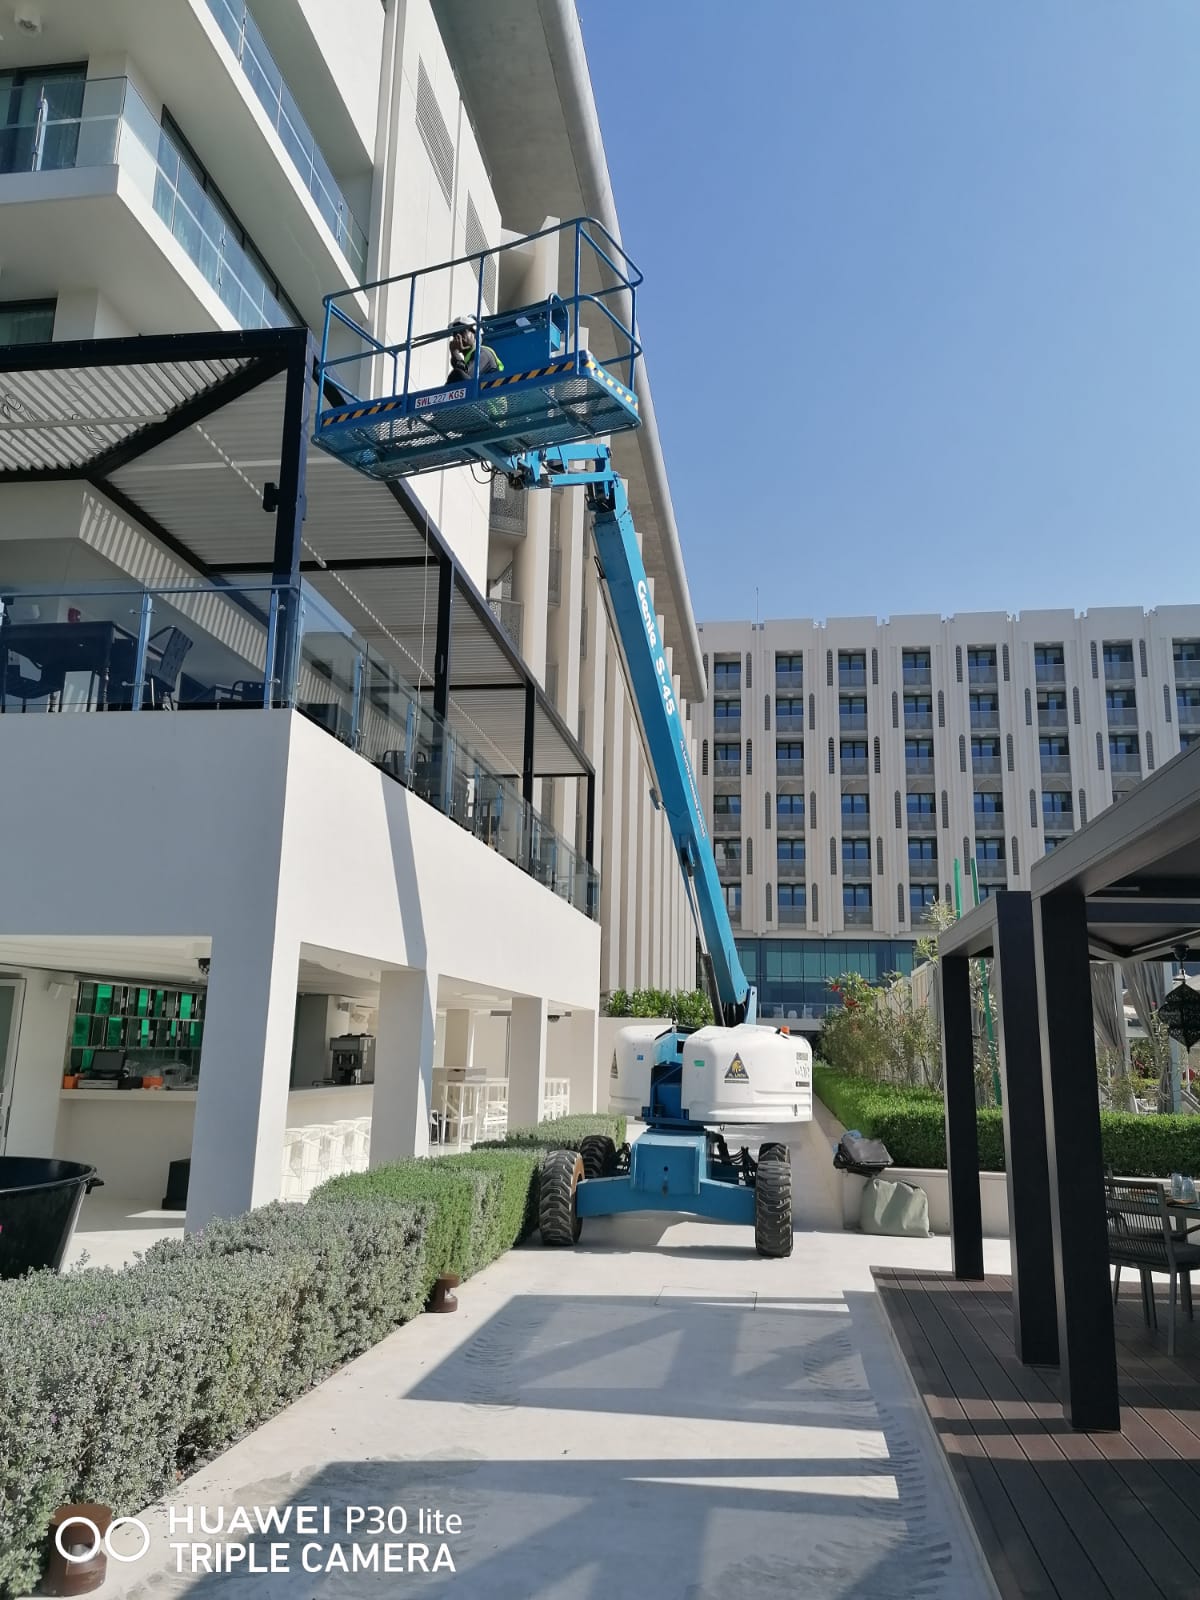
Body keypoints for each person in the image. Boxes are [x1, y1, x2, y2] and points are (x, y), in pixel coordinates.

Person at [447, 314, 503, 385]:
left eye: (462, 331)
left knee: (456, 374)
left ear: (475, 335)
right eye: (455, 333)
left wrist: (455, 352)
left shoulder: (483, 352)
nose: (458, 336)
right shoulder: (468, 359)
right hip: (477, 394)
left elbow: (465, 379)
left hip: (492, 395)